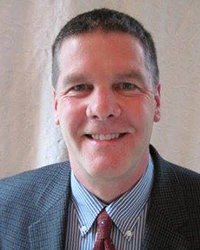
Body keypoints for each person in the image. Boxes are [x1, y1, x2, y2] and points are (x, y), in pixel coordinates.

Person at [0, 8, 200, 250]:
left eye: (126, 85)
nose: (102, 108)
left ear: (156, 101)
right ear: (55, 105)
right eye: (80, 86)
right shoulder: (4, 209)